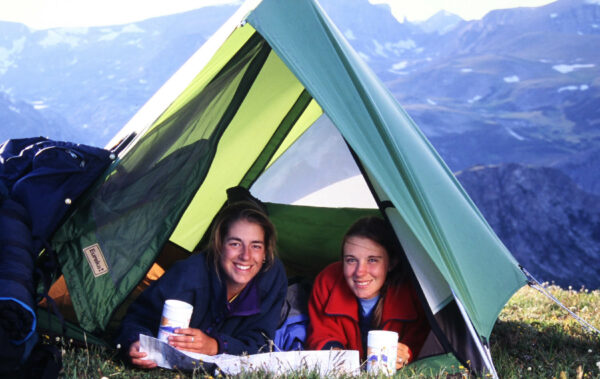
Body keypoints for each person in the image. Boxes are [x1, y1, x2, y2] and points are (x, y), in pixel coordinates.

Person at [115, 201, 287, 369]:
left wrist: (216, 346)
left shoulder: (272, 277)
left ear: (265, 253)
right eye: (235, 244)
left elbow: (262, 346)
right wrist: (135, 343)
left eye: (256, 246)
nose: (246, 256)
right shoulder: (187, 275)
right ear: (219, 247)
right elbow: (136, 320)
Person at [306, 216, 429, 369]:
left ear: (391, 262)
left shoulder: (413, 291)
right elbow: (320, 334)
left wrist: (406, 354)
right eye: (351, 260)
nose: (360, 272)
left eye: (372, 260)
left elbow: (423, 342)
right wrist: (333, 353)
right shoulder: (328, 281)